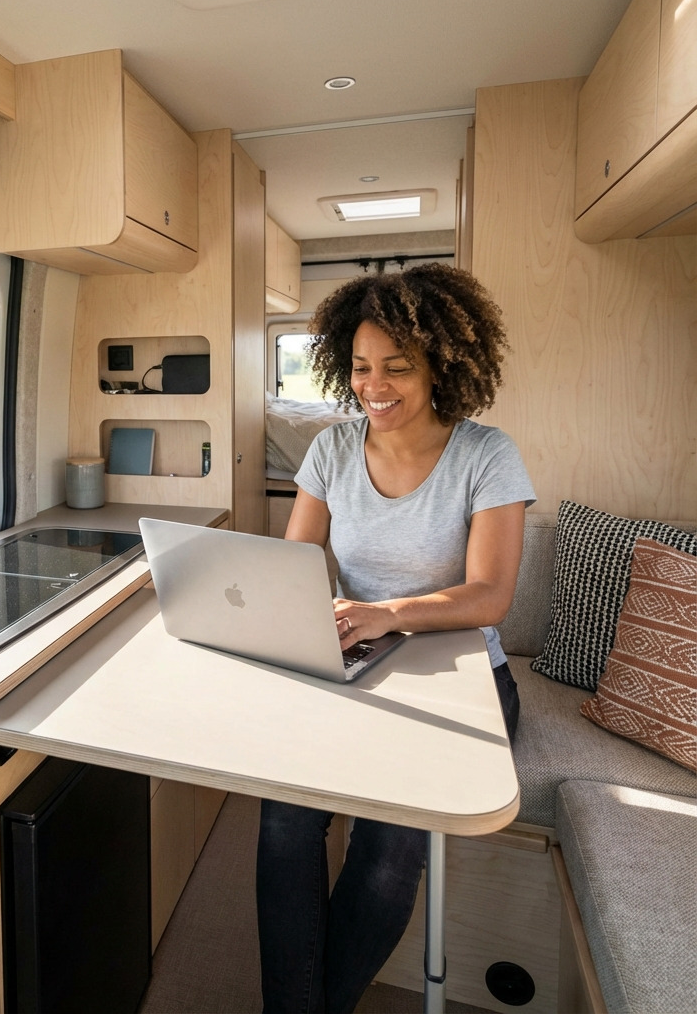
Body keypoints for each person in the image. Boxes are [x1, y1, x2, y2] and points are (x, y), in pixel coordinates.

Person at [256, 262, 535, 1014]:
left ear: (443, 365)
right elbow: (298, 557)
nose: (373, 387)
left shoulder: (487, 454)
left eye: (397, 369)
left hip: (465, 675)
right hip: (353, 660)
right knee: (283, 819)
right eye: (359, 368)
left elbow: (491, 596)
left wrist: (388, 612)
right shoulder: (332, 449)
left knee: (387, 848)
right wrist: (293, 612)